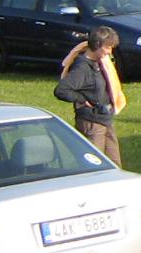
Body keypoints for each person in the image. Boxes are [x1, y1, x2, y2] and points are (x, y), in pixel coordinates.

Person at [54, 26, 126, 166]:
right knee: (95, 164)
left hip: (105, 119)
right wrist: (81, 99)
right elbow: (61, 90)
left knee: (115, 164)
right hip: (92, 123)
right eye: (108, 47)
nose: (110, 52)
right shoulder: (82, 67)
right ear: (98, 45)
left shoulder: (101, 63)